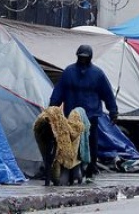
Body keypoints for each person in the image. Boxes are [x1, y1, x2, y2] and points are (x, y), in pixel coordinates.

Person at [49, 44, 119, 181]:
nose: (82, 60)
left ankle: (91, 168)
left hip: (91, 116)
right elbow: (58, 92)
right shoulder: (68, 72)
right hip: (71, 116)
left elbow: (107, 93)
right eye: (80, 58)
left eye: (85, 58)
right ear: (77, 57)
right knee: (70, 143)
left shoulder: (97, 74)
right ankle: (72, 167)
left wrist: (113, 111)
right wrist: (53, 109)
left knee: (92, 143)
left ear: (90, 58)